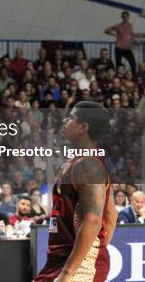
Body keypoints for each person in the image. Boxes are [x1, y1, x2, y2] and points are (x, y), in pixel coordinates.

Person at [35, 101, 118, 282]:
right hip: (60, 259)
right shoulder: (78, 162)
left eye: (71, 118)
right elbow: (111, 212)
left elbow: (95, 219)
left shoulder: (89, 165)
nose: (65, 121)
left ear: (84, 127)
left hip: (78, 266)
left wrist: (91, 253)